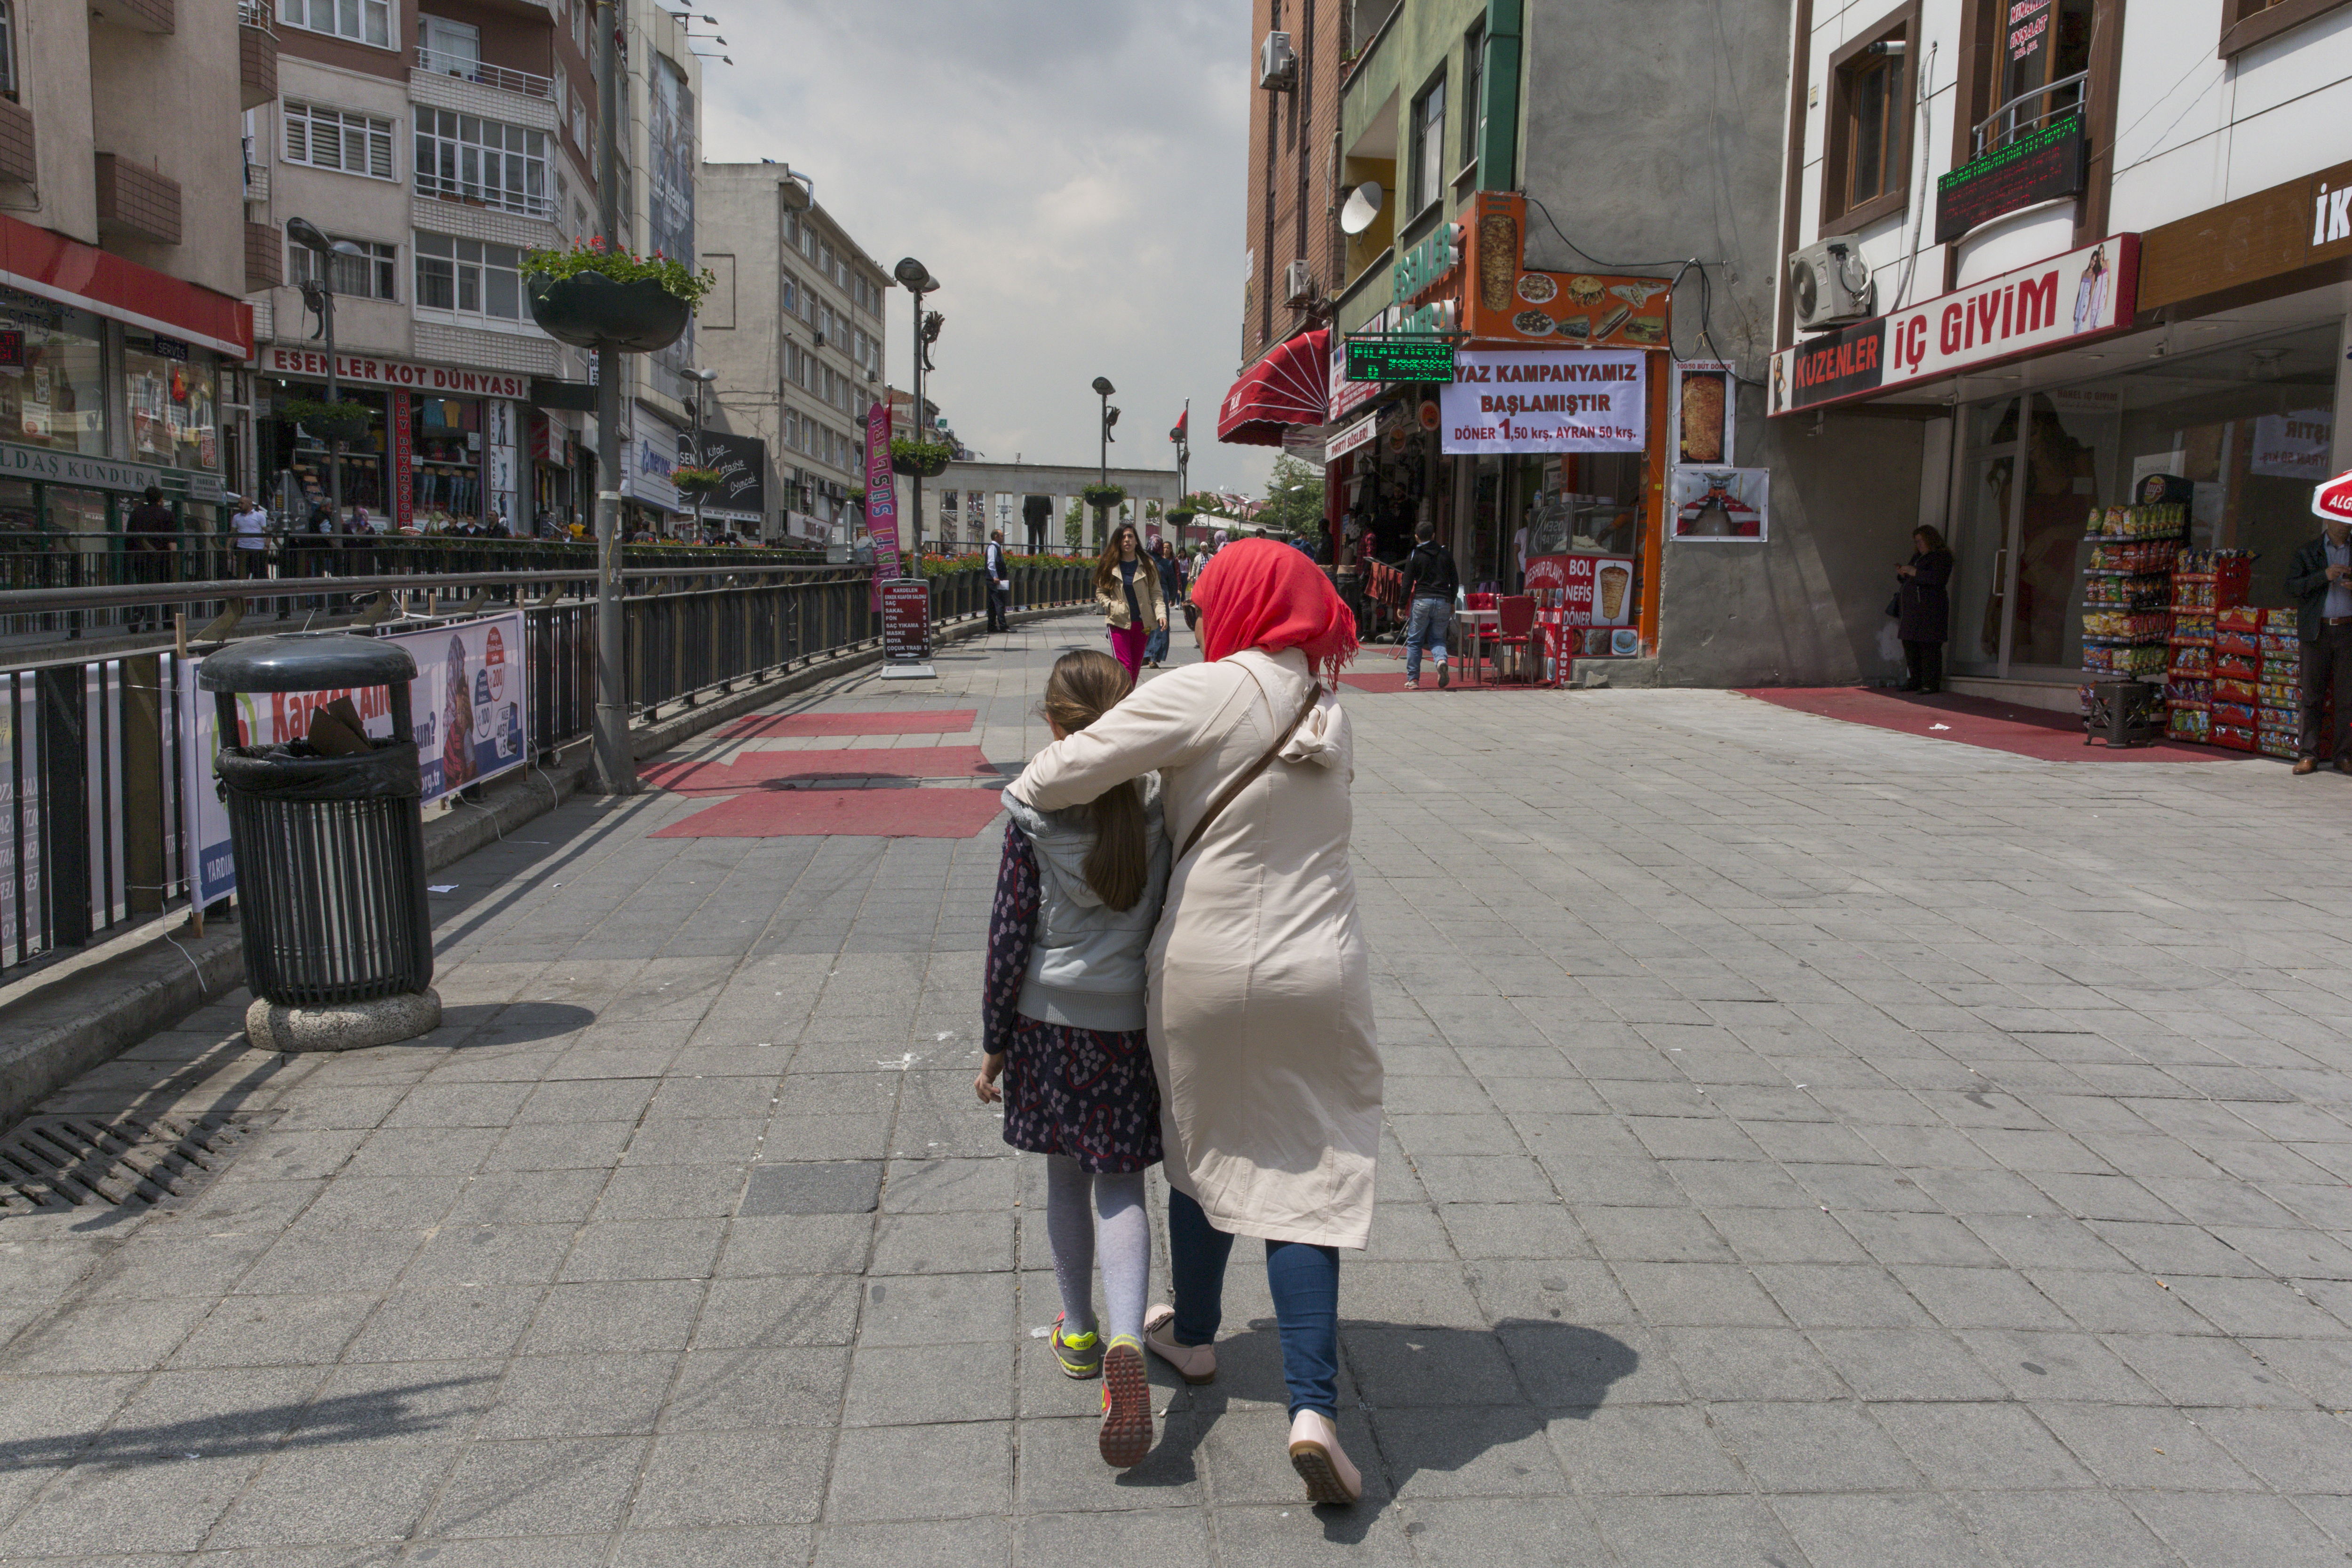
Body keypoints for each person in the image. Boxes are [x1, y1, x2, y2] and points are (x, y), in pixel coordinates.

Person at [1009, 539, 1381, 1507]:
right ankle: (1312, 1414)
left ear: (1245, 605)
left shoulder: (1205, 689)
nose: (1206, 616)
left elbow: (1054, 777)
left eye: (1213, 601)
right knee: (1307, 1170)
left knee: (1195, 1147)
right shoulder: (1327, 708)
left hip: (1205, 967)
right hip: (1320, 968)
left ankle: (1196, 1334)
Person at [975, 650, 1172, 1470]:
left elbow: (1008, 935)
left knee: (1063, 1176)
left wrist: (994, 1042)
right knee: (1121, 1181)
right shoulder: (1155, 805)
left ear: (1056, 727)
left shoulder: (1031, 810)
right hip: (1124, 1026)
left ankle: (1080, 1331)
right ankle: (1130, 1335)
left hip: (1048, 1024)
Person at [2285, 504, 2352, 775]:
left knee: (2347, 698)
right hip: (2317, 631)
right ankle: (2308, 754)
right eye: (2338, 519)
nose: (2344, 524)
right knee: (2312, 696)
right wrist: (2323, 577)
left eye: (2347, 520)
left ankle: (2344, 755)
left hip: (2348, 630)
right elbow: (2292, 587)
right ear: (2327, 518)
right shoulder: (2309, 551)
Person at [1095, 521, 1166, 685]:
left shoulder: (1147, 565)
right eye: (1123, 537)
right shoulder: (1111, 565)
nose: (1127, 540)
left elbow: (1156, 593)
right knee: (1124, 667)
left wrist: (1161, 614)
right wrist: (1112, 606)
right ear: (1118, 541)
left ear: (1136, 541)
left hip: (1143, 625)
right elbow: (1101, 592)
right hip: (1119, 623)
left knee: (1134, 669)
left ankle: (1123, 700)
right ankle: (1122, 703)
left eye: (1130, 536)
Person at [1894, 525, 1955, 693]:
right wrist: (1903, 574)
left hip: (1930, 610)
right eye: (1917, 542)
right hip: (1912, 610)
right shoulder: (1918, 557)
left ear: (1931, 540)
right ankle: (1915, 680)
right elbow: (1912, 578)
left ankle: (1930, 683)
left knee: (1929, 646)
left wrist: (1915, 572)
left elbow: (1938, 579)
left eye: (1922, 541)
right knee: (1910, 644)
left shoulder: (1942, 557)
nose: (1919, 545)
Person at [1400, 518, 1458, 690]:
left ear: (1417, 537)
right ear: (1433, 535)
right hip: (1443, 601)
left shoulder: (1414, 555)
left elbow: (1407, 582)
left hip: (1422, 601)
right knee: (1438, 638)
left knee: (1415, 641)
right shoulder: (1445, 553)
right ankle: (1441, 661)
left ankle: (1413, 680)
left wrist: (1401, 605)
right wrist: (1453, 600)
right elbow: (1455, 579)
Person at [123, 485, 175, 632]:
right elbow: (172, 541)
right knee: (166, 589)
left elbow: (129, 538)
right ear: (161, 499)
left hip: (140, 557)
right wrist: (174, 558)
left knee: (144, 588)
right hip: (161, 557)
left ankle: (138, 615)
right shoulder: (167, 515)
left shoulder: (136, 513)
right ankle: (168, 621)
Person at [1144, 540, 1183, 667]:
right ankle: (1154, 657)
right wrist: (1172, 597)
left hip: (1145, 595)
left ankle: (1145, 654)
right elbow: (1173, 582)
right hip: (1161, 595)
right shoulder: (1166, 563)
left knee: (1146, 626)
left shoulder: (1143, 562)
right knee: (1161, 626)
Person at [984, 528, 1012, 632]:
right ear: (996, 537)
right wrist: (995, 577)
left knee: (992, 604)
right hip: (994, 581)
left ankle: (991, 627)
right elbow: (991, 563)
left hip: (994, 580)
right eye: (1002, 536)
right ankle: (1003, 626)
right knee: (1000, 603)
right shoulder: (993, 547)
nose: (1003, 538)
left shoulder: (996, 547)